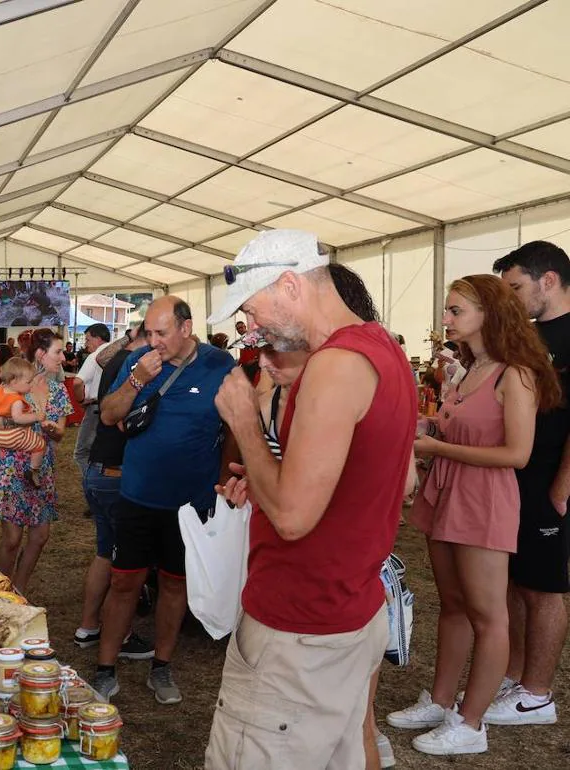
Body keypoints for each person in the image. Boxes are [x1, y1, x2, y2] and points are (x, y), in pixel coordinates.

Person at [203, 229, 415, 769]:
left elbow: (295, 517)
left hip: (299, 627)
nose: (251, 328)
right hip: (350, 611)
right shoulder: (382, 348)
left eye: (251, 309)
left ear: (291, 284)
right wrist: (271, 475)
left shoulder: (335, 365)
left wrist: (246, 423)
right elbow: (389, 479)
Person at [388, 275, 560, 755]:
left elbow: (517, 454)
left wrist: (438, 444)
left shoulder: (516, 374)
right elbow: (456, 426)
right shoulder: (467, 369)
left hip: (484, 498)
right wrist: (429, 428)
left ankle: (471, 723)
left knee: (489, 614)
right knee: (454, 604)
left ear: (489, 312)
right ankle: (443, 699)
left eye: (455, 310)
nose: (446, 318)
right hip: (449, 491)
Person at [92, 296, 234, 705]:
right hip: (138, 495)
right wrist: (136, 379)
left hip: (190, 503)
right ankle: (105, 669)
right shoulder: (137, 363)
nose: (153, 341)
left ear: (186, 329)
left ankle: (162, 666)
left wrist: (225, 479)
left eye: (161, 333)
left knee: (176, 584)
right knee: (124, 583)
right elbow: (107, 415)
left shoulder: (218, 365)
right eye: (148, 332)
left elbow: (235, 424)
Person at [490, 241, 570, 725]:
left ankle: (538, 694)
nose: (511, 299)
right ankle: (515, 677)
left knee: (545, 589)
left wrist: (561, 490)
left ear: (549, 280)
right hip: (514, 479)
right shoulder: (530, 337)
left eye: (515, 288)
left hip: (548, 485)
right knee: (515, 584)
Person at [74, 326, 154, 660]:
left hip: (98, 469)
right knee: (125, 561)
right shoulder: (139, 368)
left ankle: (88, 626)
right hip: (118, 473)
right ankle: (119, 634)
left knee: (105, 553)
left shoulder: (111, 360)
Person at [0, 329, 73, 594]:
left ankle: (18, 589)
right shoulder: (14, 383)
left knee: (40, 536)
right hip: (9, 467)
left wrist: (54, 430)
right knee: (12, 539)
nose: (63, 357)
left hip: (40, 468)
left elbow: (62, 433)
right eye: (58, 352)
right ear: (41, 355)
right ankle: (0, 592)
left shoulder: (58, 390)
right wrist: (14, 422)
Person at [0, 358, 47, 485]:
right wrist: (36, 417)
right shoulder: (16, 400)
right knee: (40, 444)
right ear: (14, 381)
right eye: (29, 382)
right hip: (14, 436)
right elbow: (18, 418)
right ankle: (33, 470)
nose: (31, 384)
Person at [72, 323, 112, 479]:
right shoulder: (120, 352)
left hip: (95, 407)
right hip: (113, 407)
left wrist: (81, 399)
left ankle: (92, 483)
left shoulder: (96, 355)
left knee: (81, 452)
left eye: (88, 340)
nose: (86, 344)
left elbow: (77, 382)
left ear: (98, 338)